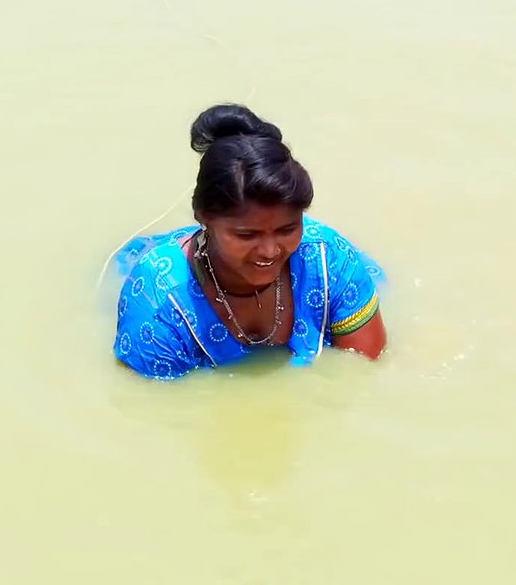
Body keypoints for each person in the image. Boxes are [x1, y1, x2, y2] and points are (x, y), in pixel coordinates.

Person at [112, 104, 387, 380]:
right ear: (203, 218)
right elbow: (155, 412)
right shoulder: (158, 304)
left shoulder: (331, 260)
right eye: (247, 235)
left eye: (287, 229)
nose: (270, 251)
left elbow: (364, 376)